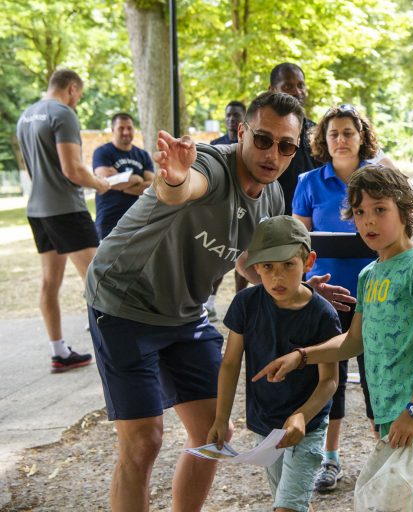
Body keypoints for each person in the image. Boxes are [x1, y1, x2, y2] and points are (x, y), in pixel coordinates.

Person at [84, 91, 352, 511]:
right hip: (123, 302)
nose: (273, 154)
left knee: (214, 433)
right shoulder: (209, 163)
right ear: (242, 132)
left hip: (185, 313)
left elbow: (250, 262)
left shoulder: (272, 197)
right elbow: (183, 188)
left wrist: (299, 288)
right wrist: (174, 178)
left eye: (286, 146)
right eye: (263, 140)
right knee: (143, 442)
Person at [256, 164, 413, 511]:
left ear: (404, 210)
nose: (368, 222)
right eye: (360, 212)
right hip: (387, 411)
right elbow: (352, 342)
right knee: (393, 501)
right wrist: (302, 356)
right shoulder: (368, 274)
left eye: (380, 210)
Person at [208, 215, 340, 512]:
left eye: (287, 265)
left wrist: (302, 416)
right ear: (255, 267)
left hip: (309, 424)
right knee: (286, 498)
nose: (277, 277)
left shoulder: (322, 314)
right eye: (268, 267)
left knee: (287, 506)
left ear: (308, 262)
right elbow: (230, 364)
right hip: (265, 423)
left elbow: (329, 381)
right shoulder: (245, 304)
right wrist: (220, 417)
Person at [292, 103, 381, 492]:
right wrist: (306, 284)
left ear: (362, 137)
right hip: (327, 300)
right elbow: (298, 242)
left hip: (376, 296)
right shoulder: (308, 182)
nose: (341, 139)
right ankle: (330, 458)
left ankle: (387, 455)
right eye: (333, 134)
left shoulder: (381, 179)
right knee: (331, 378)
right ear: (323, 141)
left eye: (348, 132)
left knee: (379, 377)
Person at [16, 68, 110, 372]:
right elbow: (72, 169)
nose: (77, 102)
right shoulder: (63, 114)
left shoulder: (25, 116)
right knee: (99, 281)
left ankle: (59, 352)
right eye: (78, 96)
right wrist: (99, 183)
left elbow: (34, 169)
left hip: (38, 210)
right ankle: (113, 350)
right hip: (66, 209)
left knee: (49, 283)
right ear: (71, 88)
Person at [206, 100, 248, 319]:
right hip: (222, 209)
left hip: (246, 209)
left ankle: (240, 303)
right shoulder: (216, 144)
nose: (232, 119)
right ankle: (209, 302)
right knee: (219, 257)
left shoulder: (251, 145)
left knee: (243, 256)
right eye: (229, 115)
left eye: (236, 115)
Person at [268, 63, 321, 214]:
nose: (297, 92)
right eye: (288, 86)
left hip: (312, 220)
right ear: (272, 90)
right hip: (273, 216)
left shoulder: (317, 132)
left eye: (300, 85)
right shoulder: (262, 132)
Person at [93, 112, 154, 240]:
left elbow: (152, 186)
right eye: (121, 128)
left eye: (129, 128)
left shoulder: (142, 155)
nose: (126, 132)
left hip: (139, 220)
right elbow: (108, 182)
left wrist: (122, 182)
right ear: (112, 130)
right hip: (109, 219)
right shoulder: (102, 152)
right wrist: (136, 179)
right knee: (108, 260)